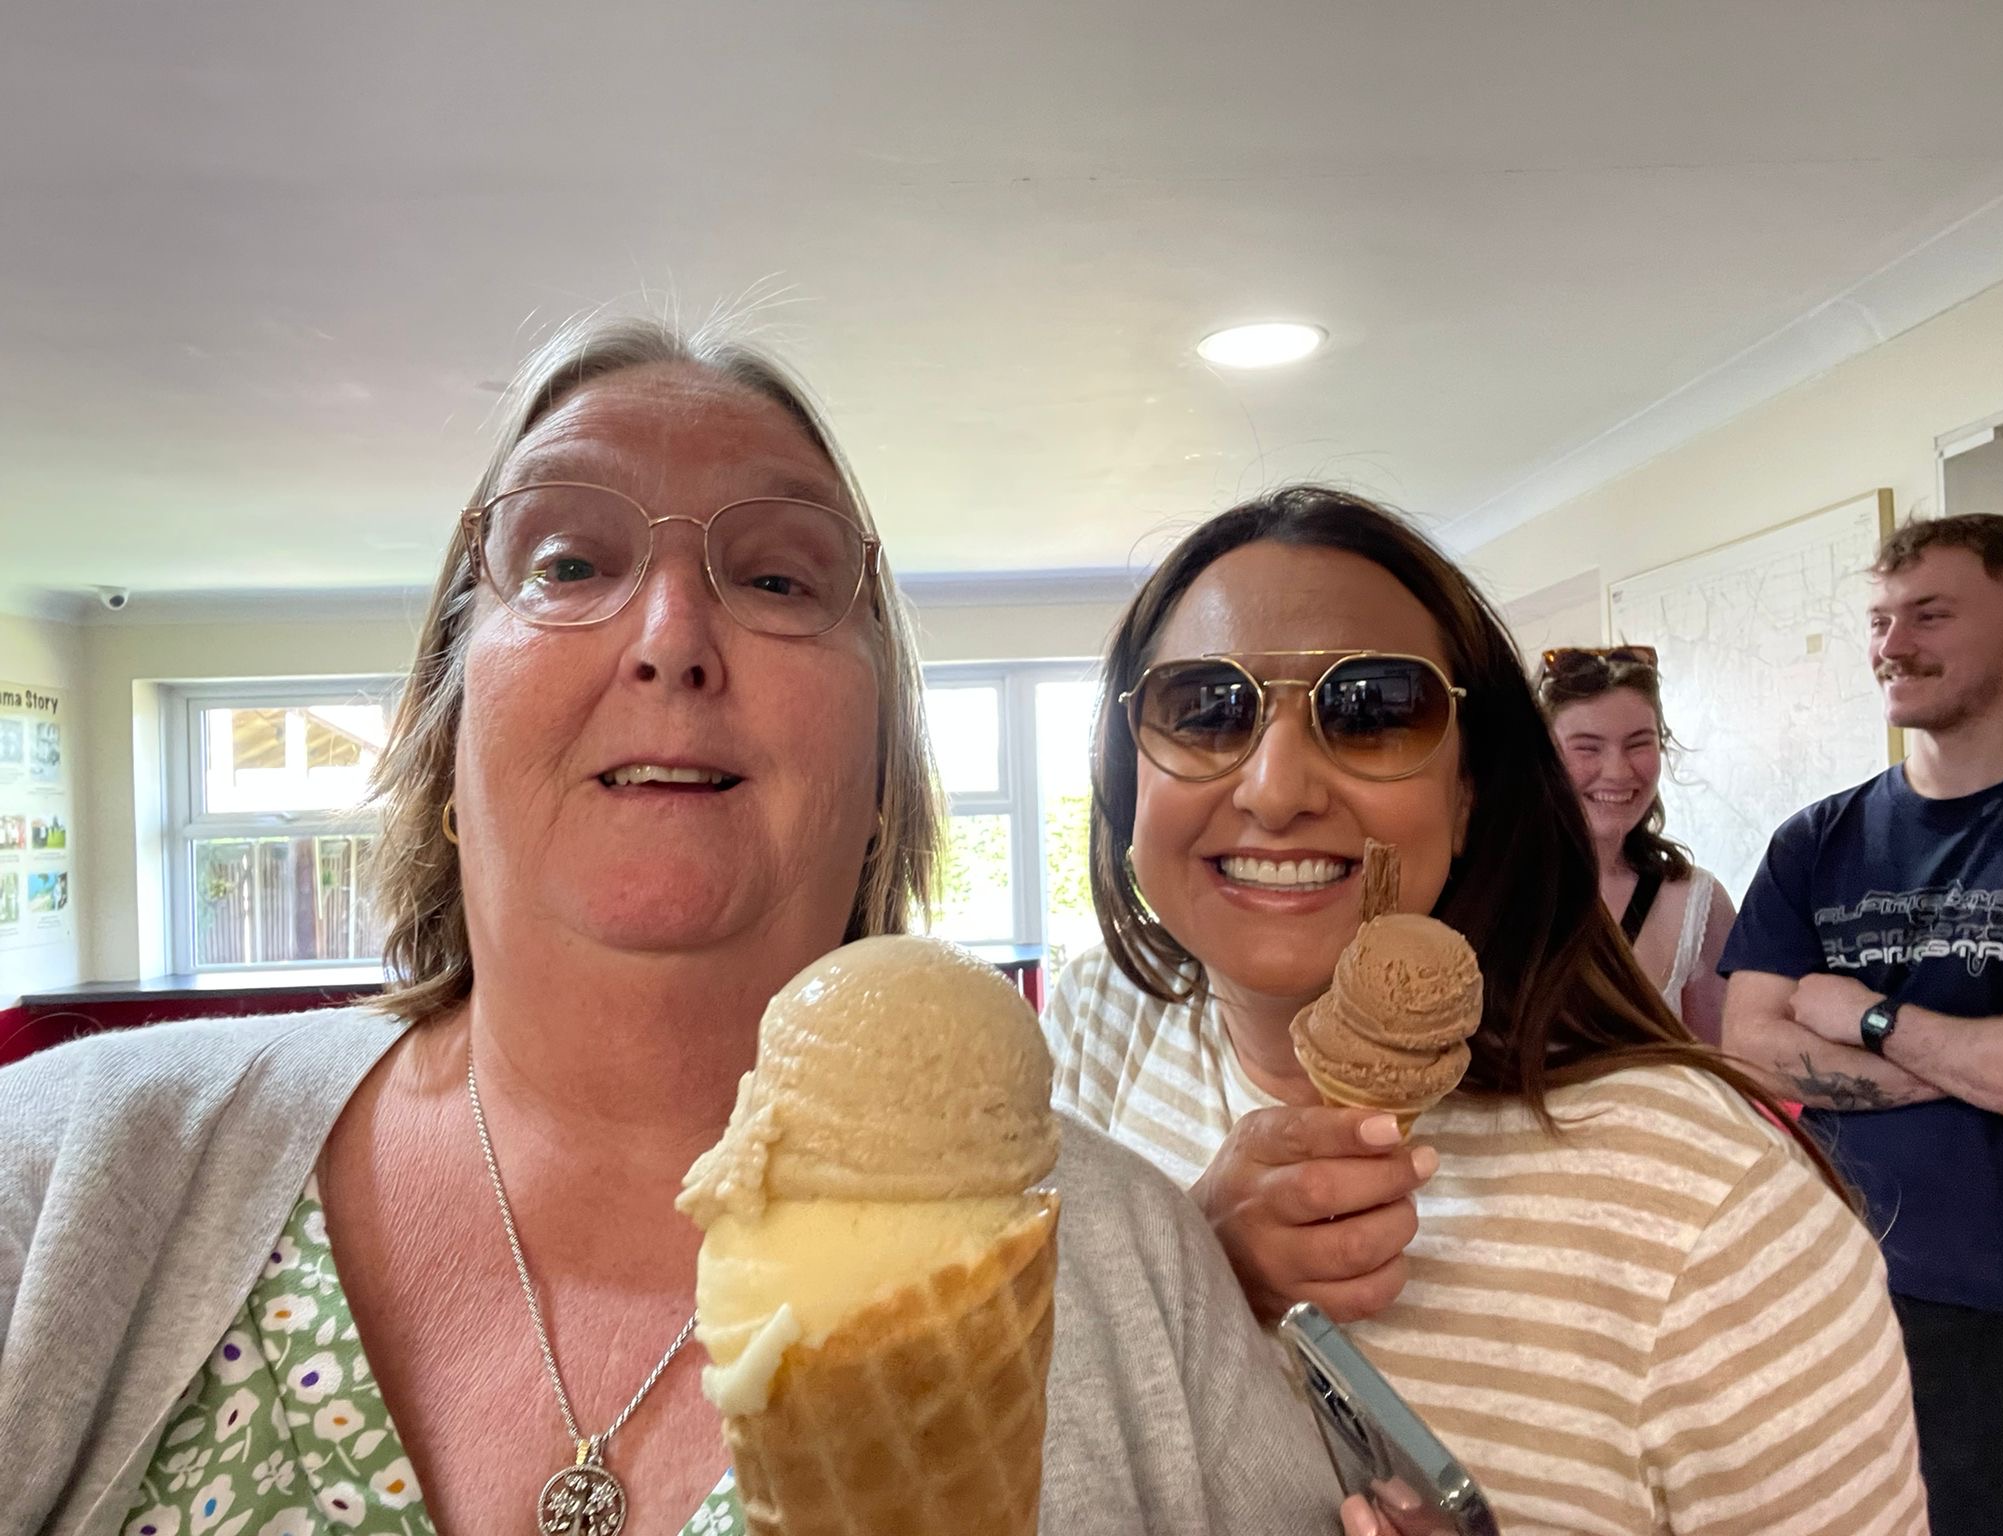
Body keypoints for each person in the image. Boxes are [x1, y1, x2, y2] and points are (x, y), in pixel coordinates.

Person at [0, 316, 1346, 1536]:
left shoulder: (1132, 1274)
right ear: (447, 728)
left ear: (883, 778)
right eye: (571, 559)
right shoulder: (66, 1169)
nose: (672, 634)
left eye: (775, 579)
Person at [1046, 484, 1928, 1535]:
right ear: (1124, 774)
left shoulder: (1713, 1213)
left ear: (1467, 793)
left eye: (1371, 710)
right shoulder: (1097, 1024)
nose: (1274, 788)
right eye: (1203, 708)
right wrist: (1184, 1275)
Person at [1719, 513, 2003, 1535]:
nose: (1890, 647)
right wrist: (1974, 1051)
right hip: (1823, 1286)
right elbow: (1747, 1046)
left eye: (1930, 614)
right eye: (1877, 619)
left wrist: (1854, 1012)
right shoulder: (1812, 839)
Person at [1535, 646, 1737, 1044]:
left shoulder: (1698, 902)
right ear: (1543, 758)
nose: (1617, 771)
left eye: (1638, 744)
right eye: (1587, 748)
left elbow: (1721, 1074)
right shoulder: (1495, 891)